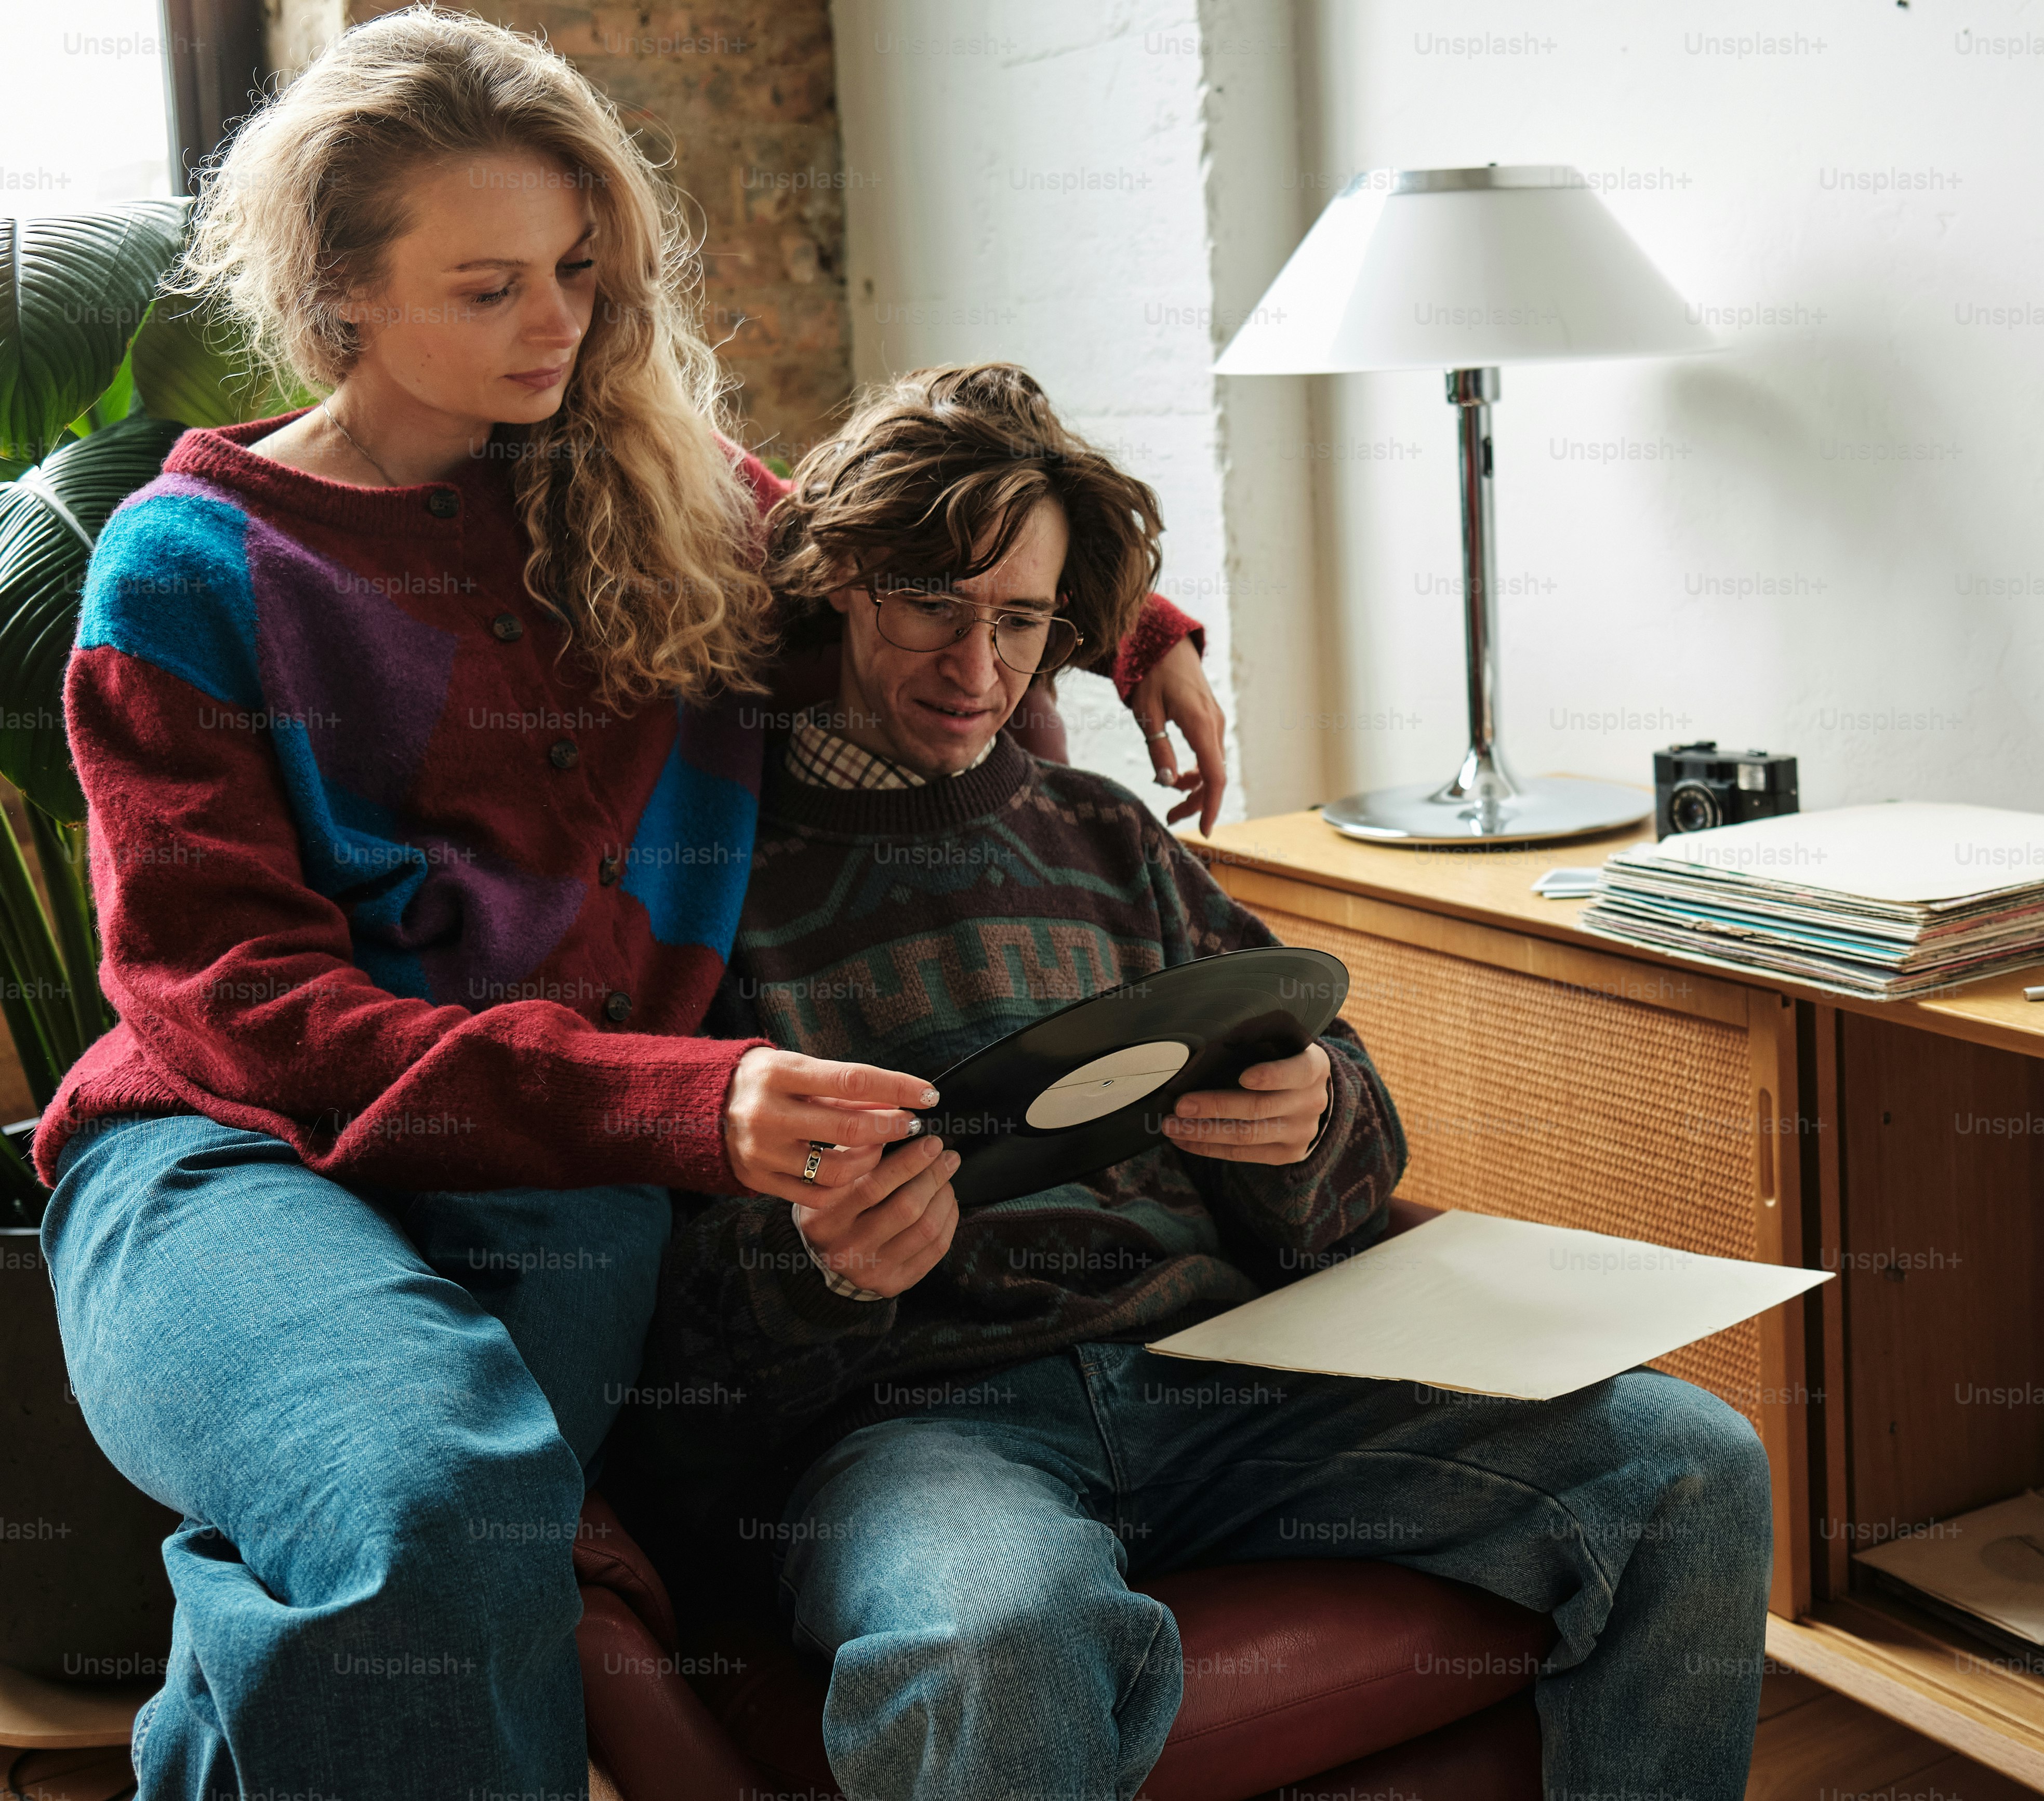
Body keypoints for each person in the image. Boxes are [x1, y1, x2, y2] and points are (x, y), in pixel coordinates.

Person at [30, 11, 1224, 1793]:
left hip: (562, 1175)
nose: (562, 327)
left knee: (387, 1531)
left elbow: (912, 544)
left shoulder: (667, 498)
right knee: (435, 1487)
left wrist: (1139, 631)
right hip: (229, 1155)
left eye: (583, 271)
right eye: (492, 283)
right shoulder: (192, 564)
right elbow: (234, 1004)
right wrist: (680, 1098)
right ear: (337, 288)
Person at [619, 362, 1775, 1800]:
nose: (978, 669)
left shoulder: (1108, 837)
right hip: (926, 1432)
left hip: (1231, 1384)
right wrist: (822, 1272)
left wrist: (1309, 1123)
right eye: (933, 604)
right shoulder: (711, 880)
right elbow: (671, 1371)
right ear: (844, 582)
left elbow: (1339, 1134)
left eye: (1022, 622)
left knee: (1688, 1461)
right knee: (1002, 1631)